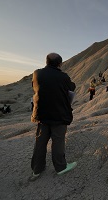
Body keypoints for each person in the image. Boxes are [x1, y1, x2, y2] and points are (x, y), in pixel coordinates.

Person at [30, 53, 77, 181]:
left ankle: (37, 169)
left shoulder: (37, 74)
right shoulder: (64, 77)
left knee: (40, 142)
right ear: (60, 64)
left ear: (46, 62)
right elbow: (71, 88)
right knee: (58, 141)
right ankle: (61, 167)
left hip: (42, 114)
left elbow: (35, 87)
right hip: (59, 115)